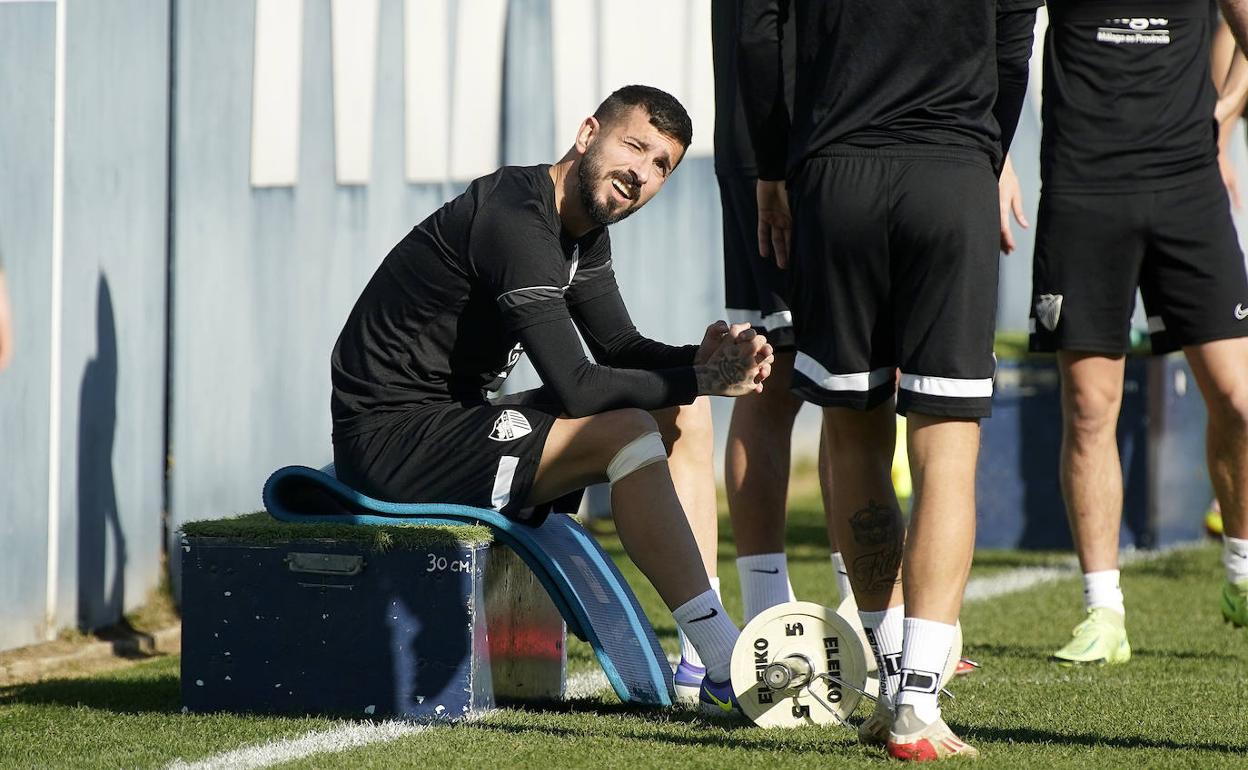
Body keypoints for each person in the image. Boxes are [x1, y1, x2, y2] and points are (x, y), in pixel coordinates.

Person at [330, 85, 773, 714]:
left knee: (682, 408)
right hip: (392, 440)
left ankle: (702, 663)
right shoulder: (517, 218)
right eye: (635, 146)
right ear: (589, 133)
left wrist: (701, 366)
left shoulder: (582, 233)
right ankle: (728, 658)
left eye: (661, 167)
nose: (640, 173)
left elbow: (618, 345)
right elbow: (578, 386)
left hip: (457, 420)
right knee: (625, 428)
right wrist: (703, 377)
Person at [739, 0, 1037, 759]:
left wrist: (773, 164)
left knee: (852, 433)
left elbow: (757, 36)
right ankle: (917, 701)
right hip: (952, 173)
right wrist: (984, 153)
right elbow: (1012, 49)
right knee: (947, 444)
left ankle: (893, 674)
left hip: (837, 177)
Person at [1028, 0, 1248, 667]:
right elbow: (992, 31)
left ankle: (1241, 567)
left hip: (1188, 189)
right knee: (1091, 406)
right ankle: (1103, 610)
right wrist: (990, 154)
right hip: (1083, 188)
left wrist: (1226, 112)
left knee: (1238, 400)